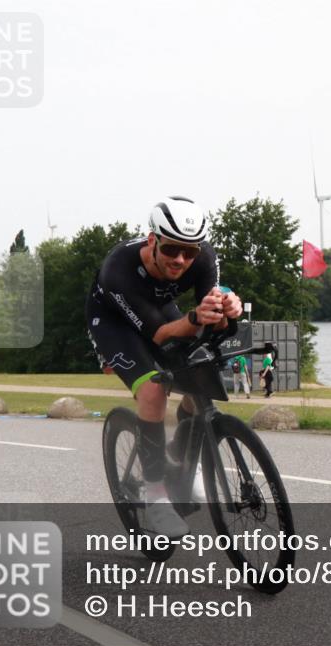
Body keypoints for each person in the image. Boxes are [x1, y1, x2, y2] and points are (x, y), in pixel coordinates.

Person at [85, 196, 243, 537]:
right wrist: (196, 317)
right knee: (154, 390)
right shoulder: (119, 268)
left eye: (190, 252)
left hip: (157, 310)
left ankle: (182, 454)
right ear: (153, 239)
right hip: (114, 322)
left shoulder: (202, 257)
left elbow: (210, 308)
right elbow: (159, 334)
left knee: (202, 373)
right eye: (171, 250)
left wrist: (229, 305)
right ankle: (155, 496)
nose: (181, 260)